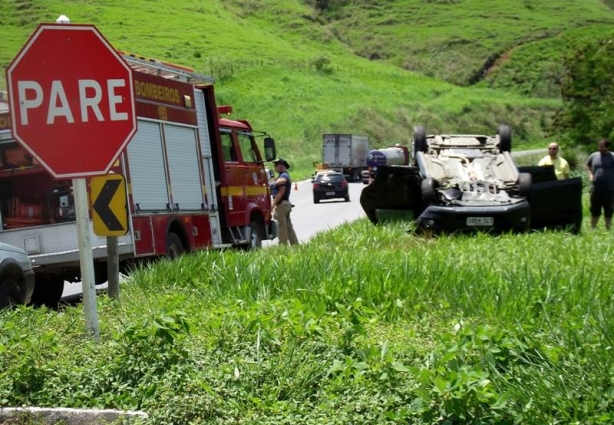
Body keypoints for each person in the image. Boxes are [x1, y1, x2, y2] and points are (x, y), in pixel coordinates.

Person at [586, 139, 614, 230]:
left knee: (608, 209)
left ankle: (608, 227)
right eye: (599, 146)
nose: (600, 148)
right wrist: (590, 174)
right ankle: (593, 227)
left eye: (602, 147)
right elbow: (588, 165)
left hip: (609, 188)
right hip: (596, 187)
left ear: (607, 147)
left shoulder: (612, 156)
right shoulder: (594, 156)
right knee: (594, 208)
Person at [270, 158, 299, 245]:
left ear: (282, 166)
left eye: (276, 165)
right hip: (286, 204)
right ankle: (295, 245)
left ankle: (283, 246)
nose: (274, 167)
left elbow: (280, 193)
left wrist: (272, 205)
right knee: (288, 227)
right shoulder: (282, 175)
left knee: (281, 227)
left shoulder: (284, 176)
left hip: (281, 205)